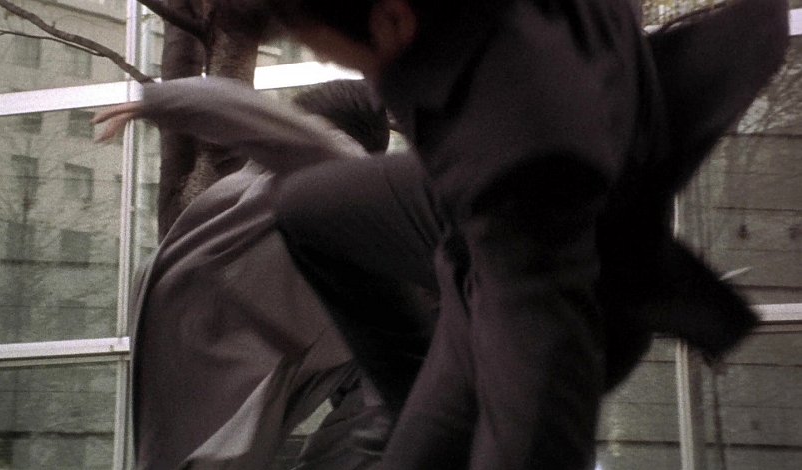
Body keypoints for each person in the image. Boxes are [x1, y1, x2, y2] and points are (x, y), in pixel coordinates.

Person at [259, 0, 790, 468]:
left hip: (559, 281)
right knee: (306, 209)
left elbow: (540, 404)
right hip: (494, 202)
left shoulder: (514, 162)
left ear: (394, 18)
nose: (350, 72)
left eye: (339, 54)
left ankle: (435, 405)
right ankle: (408, 392)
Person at [94, 77, 438, 469]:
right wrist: (166, 100)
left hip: (214, 320)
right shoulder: (336, 169)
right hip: (232, 324)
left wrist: (166, 100)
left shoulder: (325, 169)